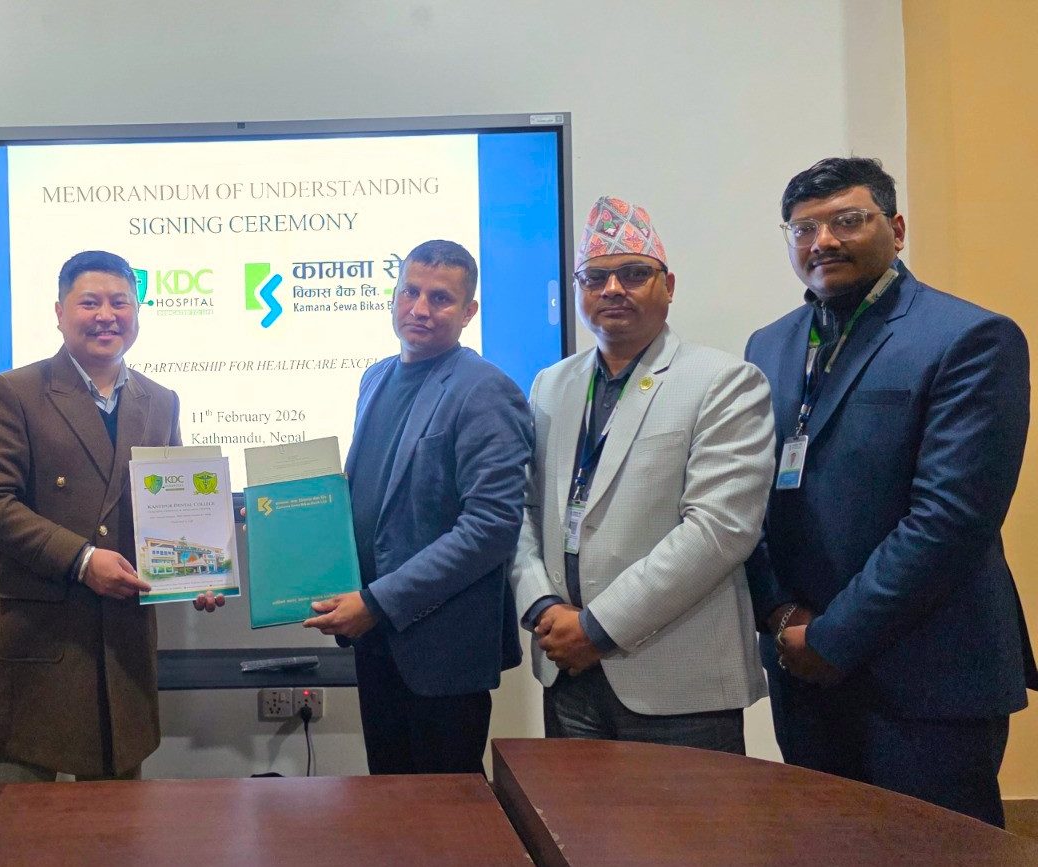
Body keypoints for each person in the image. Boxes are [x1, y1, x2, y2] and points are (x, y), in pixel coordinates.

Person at [745, 157, 1035, 826]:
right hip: (801, 665)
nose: (824, 241)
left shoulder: (969, 338)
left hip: (927, 672)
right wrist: (781, 617)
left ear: (896, 228)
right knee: (821, 845)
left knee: (933, 851)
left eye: (848, 220)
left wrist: (833, 636)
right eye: (804, 228)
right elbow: (744, 496)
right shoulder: (769, 345)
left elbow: (951, 518)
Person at [510, 197, 774, 753]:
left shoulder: (724, 381)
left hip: (677, 681)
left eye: (633, 274)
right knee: (570, 814)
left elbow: (720, 530)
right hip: (567, 673)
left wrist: (596, 628)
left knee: (688, 818)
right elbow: (523, 511)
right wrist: (540, 606)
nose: (613, 289)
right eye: (595, 277)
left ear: (668, 285)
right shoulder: (550, 385)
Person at [300, 239, 531, 775]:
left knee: (445, 813)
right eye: (410, 292)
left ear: (469, 311)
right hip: (374, 640)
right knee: (389, 801)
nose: (420, 308)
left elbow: (491, 527)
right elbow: (373, 494)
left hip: (440, 650)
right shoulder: (376, 376)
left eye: (440, 298)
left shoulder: (485, 390)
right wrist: (286, 515)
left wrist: (378, 602)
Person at [0, 250, 182, 781]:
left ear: (137, 314)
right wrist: (82, 560)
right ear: (60, 312)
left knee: (117, 818)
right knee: (20, 815)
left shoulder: (161, 401)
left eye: (120, 302)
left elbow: (173, 508)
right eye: (90, 303)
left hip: (122, 643)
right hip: (36, 639)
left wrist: (194, 574)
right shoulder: (13, 392)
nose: (106, 315)